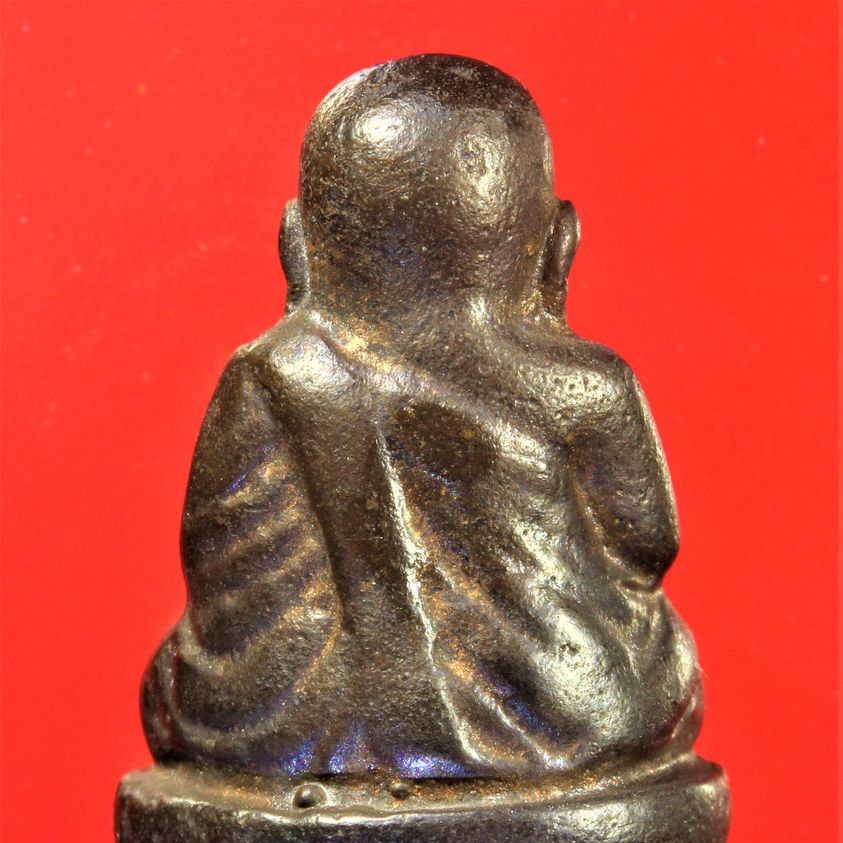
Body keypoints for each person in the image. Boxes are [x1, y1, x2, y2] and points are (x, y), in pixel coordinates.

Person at [141, 54, 701, 783]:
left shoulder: (267, 374)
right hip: (562, 715)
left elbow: (215, 562)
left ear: (295, 246)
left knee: (176, 679)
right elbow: (646, 546)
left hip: (280, 728)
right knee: (657, 657)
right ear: (559, 245)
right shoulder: (583, 385)